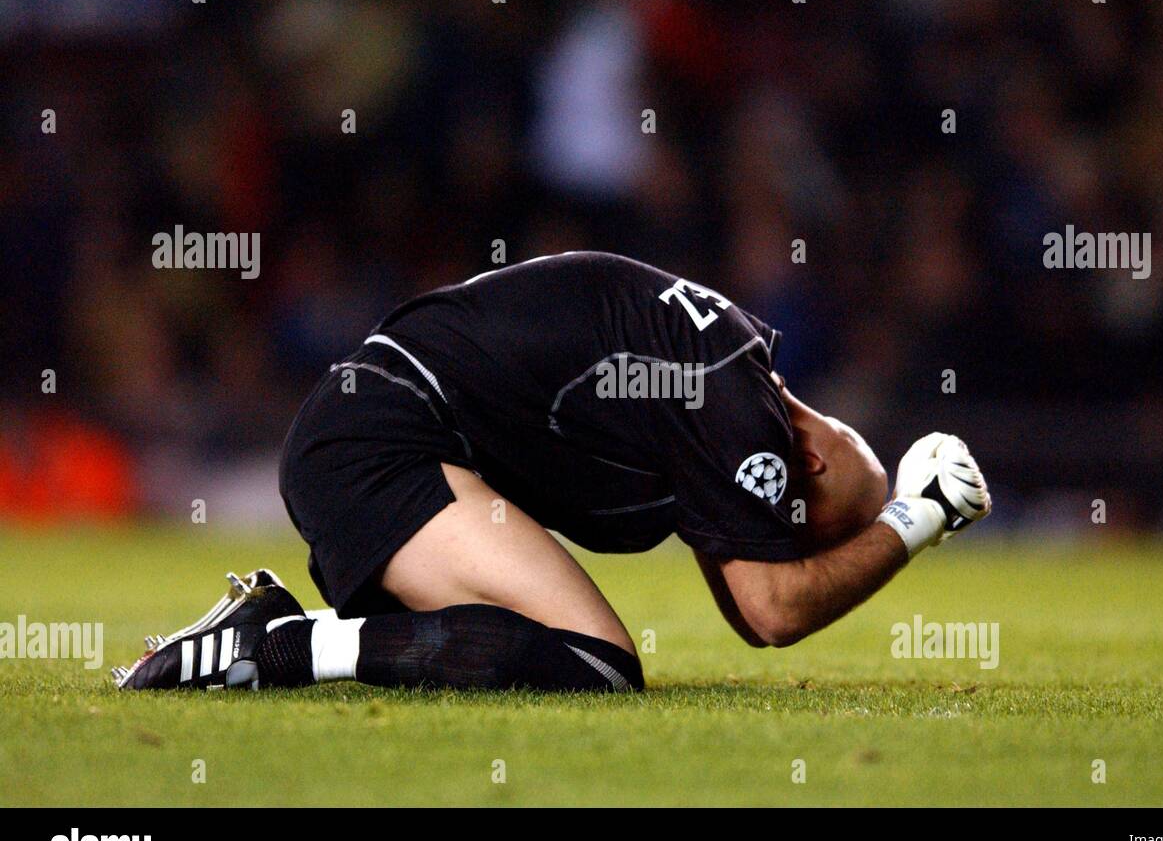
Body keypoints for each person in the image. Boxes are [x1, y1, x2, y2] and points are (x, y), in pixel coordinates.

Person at [114, 252, 990, 693]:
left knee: (505, 644)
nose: (784, 530)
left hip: (377, 428)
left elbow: (747, 599)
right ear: (805, 459)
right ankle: (279, 645)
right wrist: (921, 517)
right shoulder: (740, 401)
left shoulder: (717, 375)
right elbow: (771, 610)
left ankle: (278, 624)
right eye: (804, 518)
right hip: (382, 441)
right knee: (595, 662)